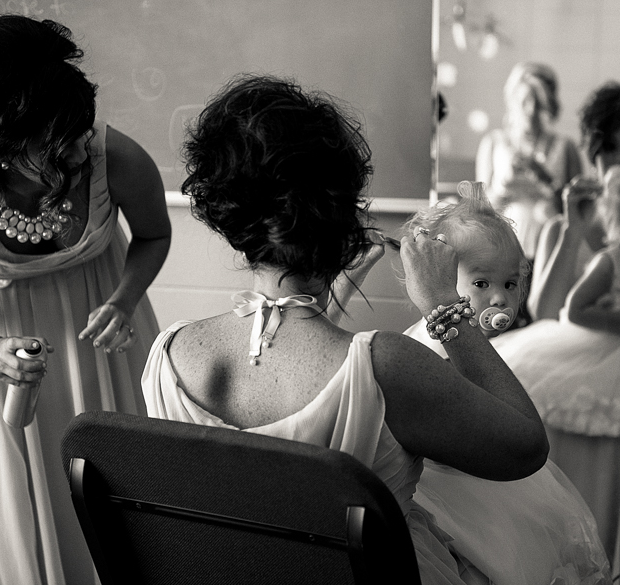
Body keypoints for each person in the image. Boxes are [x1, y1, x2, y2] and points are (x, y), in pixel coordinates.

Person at [140, 74, 549, 584]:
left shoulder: (168, 355)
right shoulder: (388, 365)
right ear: (343, 215)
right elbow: (526, 447)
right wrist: (446, 308)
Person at [0, 16, 171, 584]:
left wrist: (124, 300)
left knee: (115, 491)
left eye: (82, 132)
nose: (83, 150)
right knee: (16, 496)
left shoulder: (115, 156)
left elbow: (155, 235)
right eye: (60, 143)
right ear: (8, 148)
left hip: (101, 336)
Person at [403, 181, 612, 585]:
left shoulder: (466, 342)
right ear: (435, 282)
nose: (500, 299)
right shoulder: (444, 349)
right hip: (457, 496)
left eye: (510, 284)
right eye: (481, 284)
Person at [527, 81, 620, 322]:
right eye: (608, 147)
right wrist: (572, 233)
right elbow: (543, 317)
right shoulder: (559, 229)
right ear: (593, 154)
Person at [475, 62, 584, 259]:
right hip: (501, 251)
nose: (531, 110)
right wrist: (503, 185)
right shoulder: (493, 143)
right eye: (525, 101)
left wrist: (546, 180)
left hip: (553, 250)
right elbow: (478, 212)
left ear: (549, 104)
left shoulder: (565, 146)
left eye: (539, 103)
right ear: (512, 100)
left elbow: (579, 211)